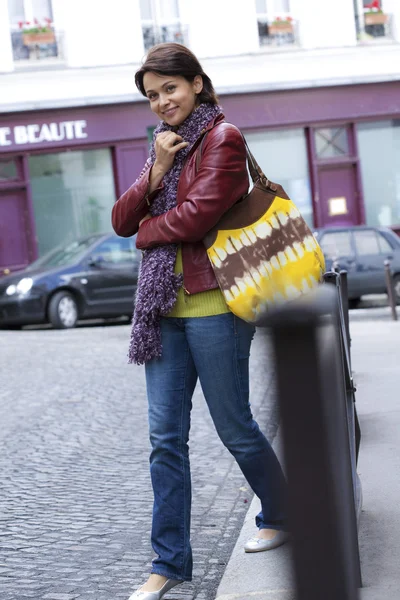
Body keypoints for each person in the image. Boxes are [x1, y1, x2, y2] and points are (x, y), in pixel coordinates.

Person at [111, 42, 289, 600]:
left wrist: (147, 230)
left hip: (216, 305)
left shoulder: (223, 139)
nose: (162, 102)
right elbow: (120, 218)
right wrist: (157, 169)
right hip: (161, 313)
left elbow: (197, 216)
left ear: (196, 84)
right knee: (165, 440)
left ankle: (284, 513)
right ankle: (167, 563)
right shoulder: (161, 148)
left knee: (234, 425)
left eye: (171, 89)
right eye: (152, 95)